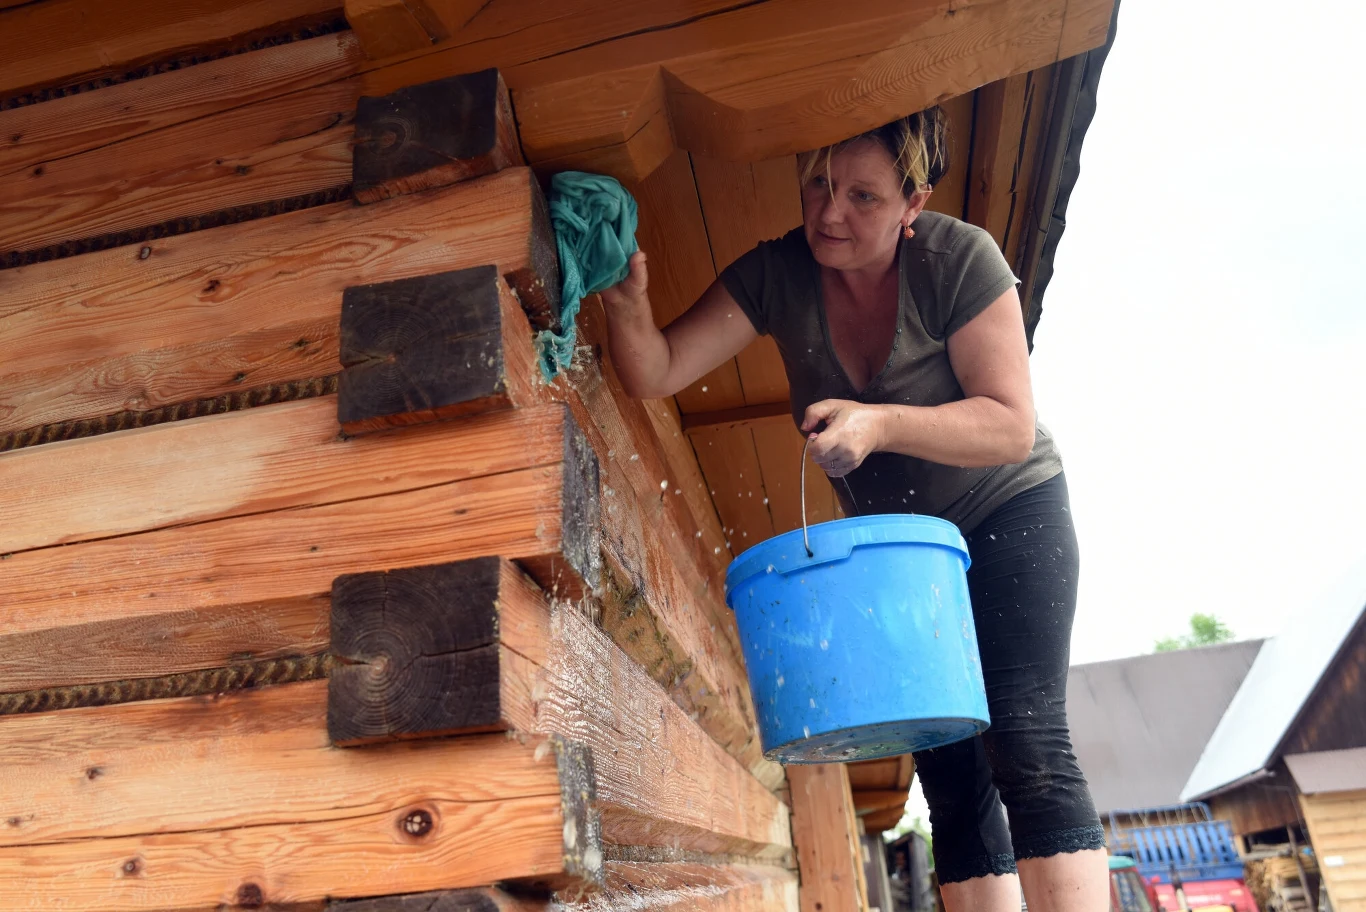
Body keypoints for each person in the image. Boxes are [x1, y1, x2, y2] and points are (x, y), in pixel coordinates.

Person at [598, 107, 1108, 912]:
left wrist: (881, 423)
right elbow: (655, 370)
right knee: (944, 758)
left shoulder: (959, 259)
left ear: (914, 203)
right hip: (901, 549)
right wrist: (627, 302)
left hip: (1008, 510)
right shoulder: (775, 274)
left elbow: (1009, 426)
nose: (829, 214)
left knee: (1024, 735)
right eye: (818, 186)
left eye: (863, 197)